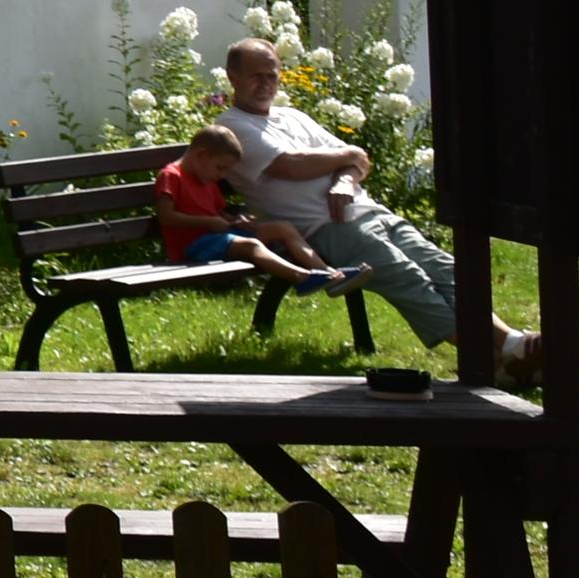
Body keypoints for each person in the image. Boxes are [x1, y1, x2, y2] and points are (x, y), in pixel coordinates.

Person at [213, 36, 539, 387]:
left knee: (445, 267)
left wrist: (344, 181)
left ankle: (509, 348)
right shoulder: (232, 126)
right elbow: (290, 165)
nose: (264, 84)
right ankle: (496, 360)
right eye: (255, 76)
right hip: (325, 228)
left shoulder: (293, 117)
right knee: (408, 277)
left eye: (272, 75)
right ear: (233, 77)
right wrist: (345, 159)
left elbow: (359, 160)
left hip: (368, 210)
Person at [153, 124, 361, 290]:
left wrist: (237, 220)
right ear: (201, 155)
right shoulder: (171, 176)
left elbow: (220, 213)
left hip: (217, 238)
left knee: (283, 228)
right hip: (192, 246)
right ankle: (303, 277)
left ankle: (328, 274)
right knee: (251, 246)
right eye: (220, 167)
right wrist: (209, 222)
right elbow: (166, 217)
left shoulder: (207, 179)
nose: (221, 175)